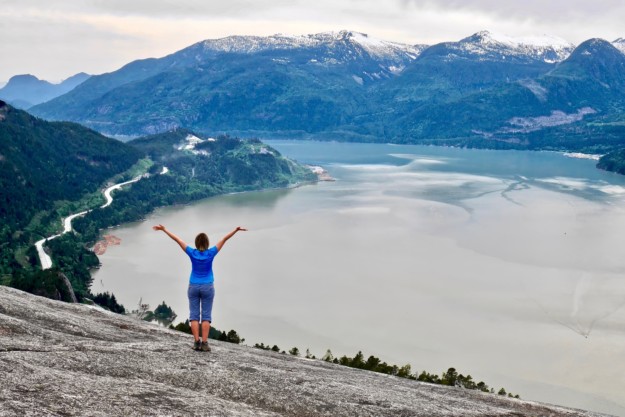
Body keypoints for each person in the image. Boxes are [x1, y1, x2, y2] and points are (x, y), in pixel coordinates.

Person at [152, 224, 247, 351]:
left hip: (193, 286)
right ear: (207, 243)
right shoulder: (211, 253)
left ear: (196, 243)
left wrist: (164, 230)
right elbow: (224, 239)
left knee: (194, 316)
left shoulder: (192, 253)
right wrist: (235, 230)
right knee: (206, 316)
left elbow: (177, 240)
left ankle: (196, 342)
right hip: (208, 286)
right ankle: (205, 343)